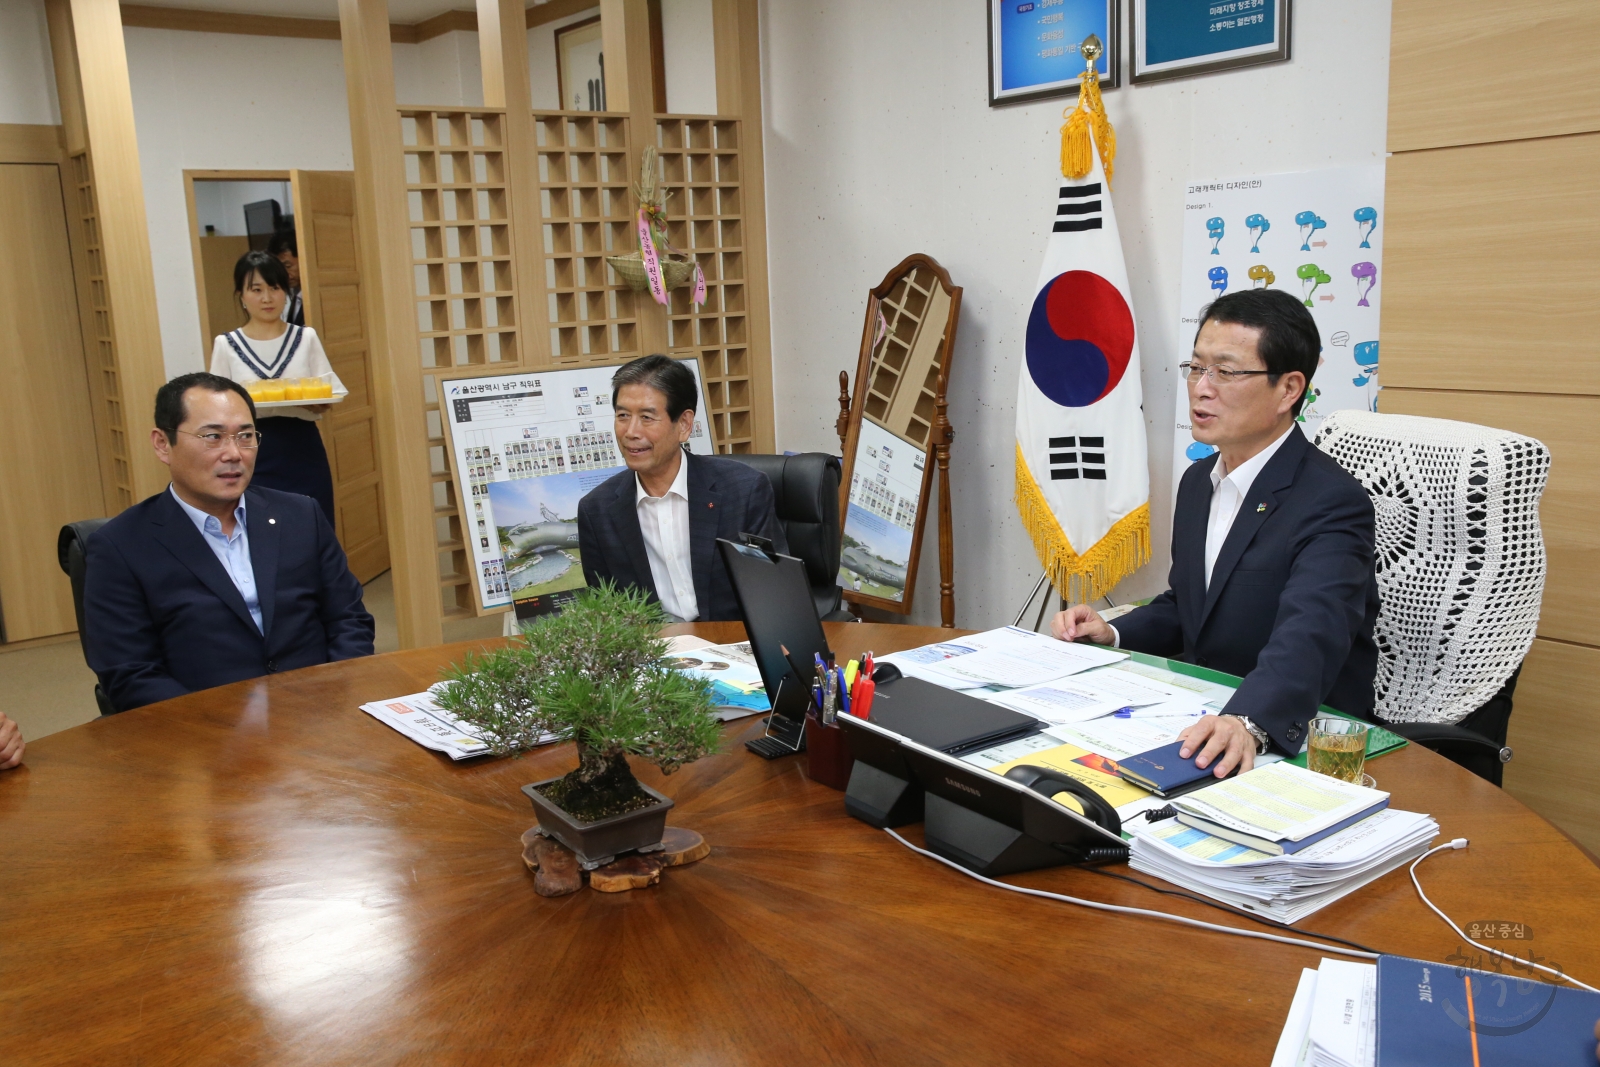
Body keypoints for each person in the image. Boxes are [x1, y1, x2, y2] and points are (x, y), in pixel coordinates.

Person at [1052, 288, 1379, 777]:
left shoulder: (1331, 501)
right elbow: (1191, 606)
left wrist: (1248, 719)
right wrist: (1115, 630)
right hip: (1204, 711)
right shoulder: (1197, 481)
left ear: (1289, 389)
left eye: (1225, 372)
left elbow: (1311, 632)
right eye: (1196, 368)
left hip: (1300, 736)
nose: (1202, 388)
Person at [83, 373, 374, 713]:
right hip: (204, 740)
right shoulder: (120, 546)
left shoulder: (300, 515)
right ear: (163, 444)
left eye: (245, 436)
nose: (234, 454)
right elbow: (130, 673)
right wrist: (219, 733)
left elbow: (349, 619)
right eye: (212, 437)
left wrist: (334, 695)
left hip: (317, 716)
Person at [577, 355, 787, 622]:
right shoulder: (597, 511)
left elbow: (774, 592)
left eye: (646, 417)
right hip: (653, 652)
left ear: (684, 425)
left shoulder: (743, 491)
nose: (630, 431)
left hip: (733, 645)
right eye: (622, 416)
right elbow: (606, 612)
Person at [209, 250, 344, 525]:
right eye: (256, 289)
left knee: (313, 525)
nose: (267, 298)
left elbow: (327, 394)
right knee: (259, 529)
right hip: (250, 450)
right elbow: (215, 409)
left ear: (286, 292)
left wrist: (313, 401)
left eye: (275, 288)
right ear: (242, 295)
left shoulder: (305, 337)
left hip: (302, 445)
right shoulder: (227, 344)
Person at [267, 229, 304, 326]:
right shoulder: (286, 295)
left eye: (288, 266)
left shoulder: (316, 296)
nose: (284, 274)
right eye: (279, 269)